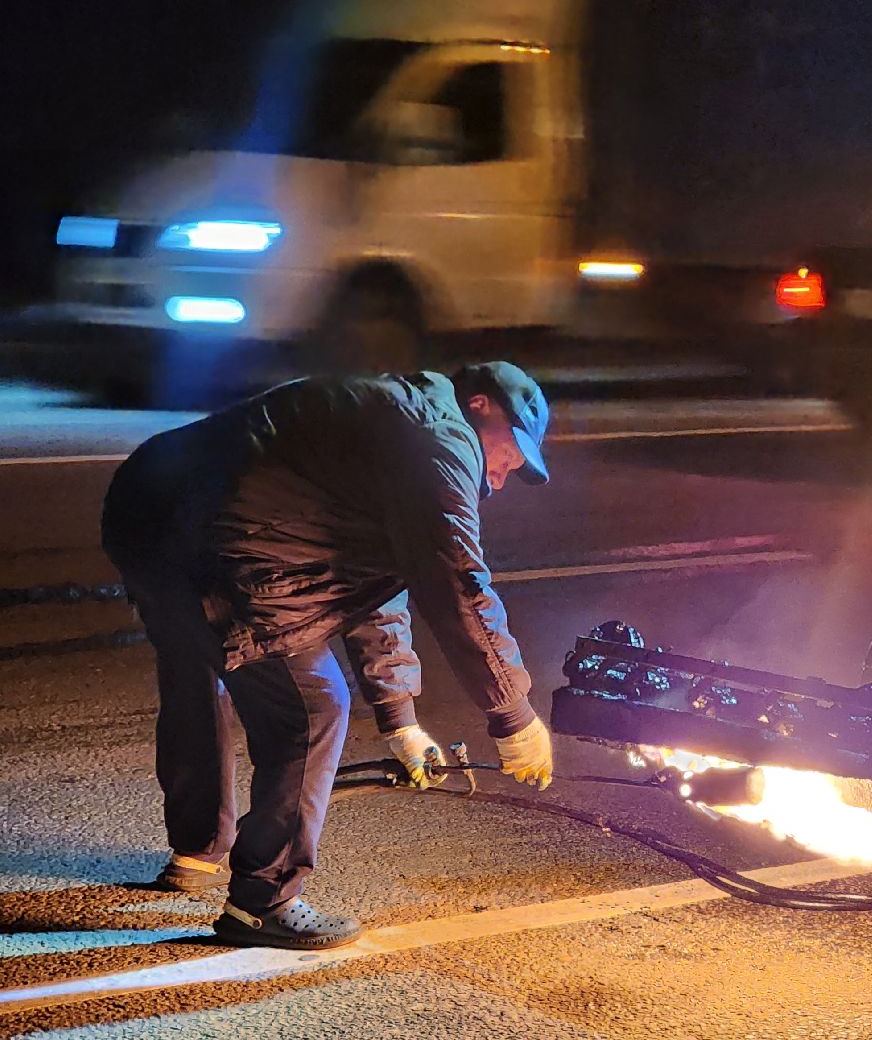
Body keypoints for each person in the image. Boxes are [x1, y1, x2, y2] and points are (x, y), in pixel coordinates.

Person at [101, 363, 555, 951]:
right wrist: (513, 716)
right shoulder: (442, 440)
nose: (499, 479)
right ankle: (263, 901)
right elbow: (458, 581)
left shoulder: (392, 418)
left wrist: (400, 718)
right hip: (224, 541)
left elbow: (365, 579)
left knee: (201, 666)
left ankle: (197, 850)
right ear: (482, 405)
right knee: (311, 710)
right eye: (510, 455)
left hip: (143, 509)